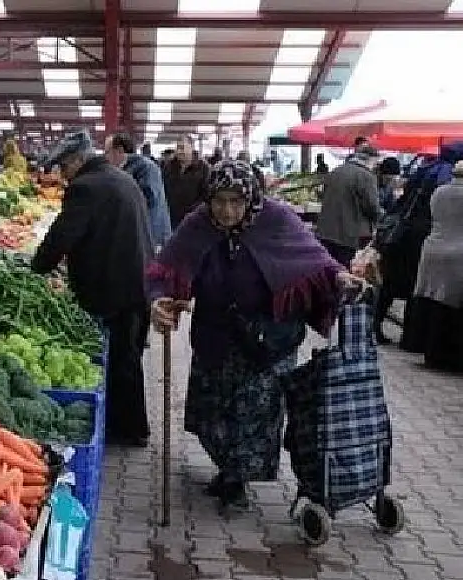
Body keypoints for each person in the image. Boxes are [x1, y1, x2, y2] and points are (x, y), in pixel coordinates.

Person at [148, 161, 352, 510]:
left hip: (269, 335)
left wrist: (341, 279)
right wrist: (158, 301)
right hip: (216, 332)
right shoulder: (197, 225)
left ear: (251, 199)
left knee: (255, 411)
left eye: (236, 202)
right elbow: (164, 268)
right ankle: (227, 467)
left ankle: (236, 479)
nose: (227, 211)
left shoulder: (278, 219)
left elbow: (316, 260)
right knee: (214, 409)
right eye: (220, 201)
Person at [31, 130, 153, 447]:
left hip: (113, 285)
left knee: (120, 360)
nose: (62, 174)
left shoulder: (86, 187)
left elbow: (62, 235)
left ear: (77, 160)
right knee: (128, 355)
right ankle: (130, 425)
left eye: (64, 166)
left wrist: (37, 268)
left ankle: (127, 429)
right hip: (136, 280)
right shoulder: (118, 177)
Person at [399, 161, 463, 371]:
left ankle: (429, 351)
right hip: (458, 253)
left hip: (433, 248)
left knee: (432, 302)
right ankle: (450, 357)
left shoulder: (439, 192)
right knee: (452, 308)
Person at [105, 132, 172, 249]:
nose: (105, 158)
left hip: (153, 236)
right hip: (140, 235)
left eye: (107, 152)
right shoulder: (123, 170)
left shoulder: (146, 168)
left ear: (119, 151)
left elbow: (147, 198)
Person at [318, 143, 380, 267]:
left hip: (326, 231)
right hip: (349, 234)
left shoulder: (336, 170)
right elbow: (372, 206)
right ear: (371, 159)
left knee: (331, 269)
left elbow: (323, 194)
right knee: (346, 271)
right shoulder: (366, 176)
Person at [371, 156, 404, 343]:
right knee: (378, 284)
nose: (391, 180)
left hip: (381, 235)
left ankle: (373, 323)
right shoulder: (374, 185)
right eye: (390, 176)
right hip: (377, 236)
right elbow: (375, 208)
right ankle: (373, 323)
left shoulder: (387, 188)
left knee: (380, 284)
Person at [162, 136, 211, 227]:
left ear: (192, 148)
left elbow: (206, 195)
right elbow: (163, 189)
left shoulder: (203, 168)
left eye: (182, 148)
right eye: (178, 148)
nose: (179, 151)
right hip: (171, 218)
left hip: (194, 219)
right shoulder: (169, 167)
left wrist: (192, 212)